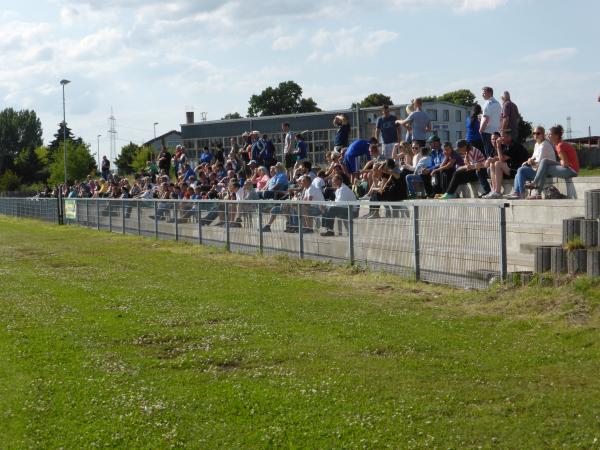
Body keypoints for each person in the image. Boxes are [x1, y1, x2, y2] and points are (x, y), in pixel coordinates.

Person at [525, 124, 579, 197]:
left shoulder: (560, 146)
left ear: (556, 136)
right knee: (544, 161)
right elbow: (564, 162)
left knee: (545, 168)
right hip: (570, 168)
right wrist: (561, 162)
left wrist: (561, 162)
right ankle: (536, 188)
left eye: (550, 134)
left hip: (571, 171)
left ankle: (537, 191)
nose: (548, 136)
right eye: (547, 134)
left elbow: (565, 164)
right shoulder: (558, 145)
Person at [506, 126, 556, 199]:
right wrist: (527, 161)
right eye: (534, 133)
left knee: (521, 170)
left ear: (543, 134)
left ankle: (521, 193)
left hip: (545, 172)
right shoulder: (537, 144)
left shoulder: (545, 145)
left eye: (538, 133)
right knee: (518, 173)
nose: (536, 135)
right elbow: (533, 158)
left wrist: (529, 162)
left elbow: (539, 163)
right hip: (538, 170)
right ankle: (517, 192)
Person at [484, 129, 529, 199]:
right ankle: (495, 190)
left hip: (518, 170)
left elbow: (501, 159)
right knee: (492, 164)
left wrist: (498, 146)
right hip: (511, 168)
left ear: (509, 137)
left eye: (502, 137)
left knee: (497, 163)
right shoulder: (506, 145)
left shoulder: (513, 146)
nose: (500, 139)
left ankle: (497, 192)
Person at [479, 86, 501, 158]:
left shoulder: (488, 104)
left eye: (484, 93)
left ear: (489, 93)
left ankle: (490, 168)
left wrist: (481, 130)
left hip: (487, 131)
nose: (482, 95)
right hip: (496, 131)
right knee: (495, 151)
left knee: (488, 152)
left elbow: (486, 118)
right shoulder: (498, 104)